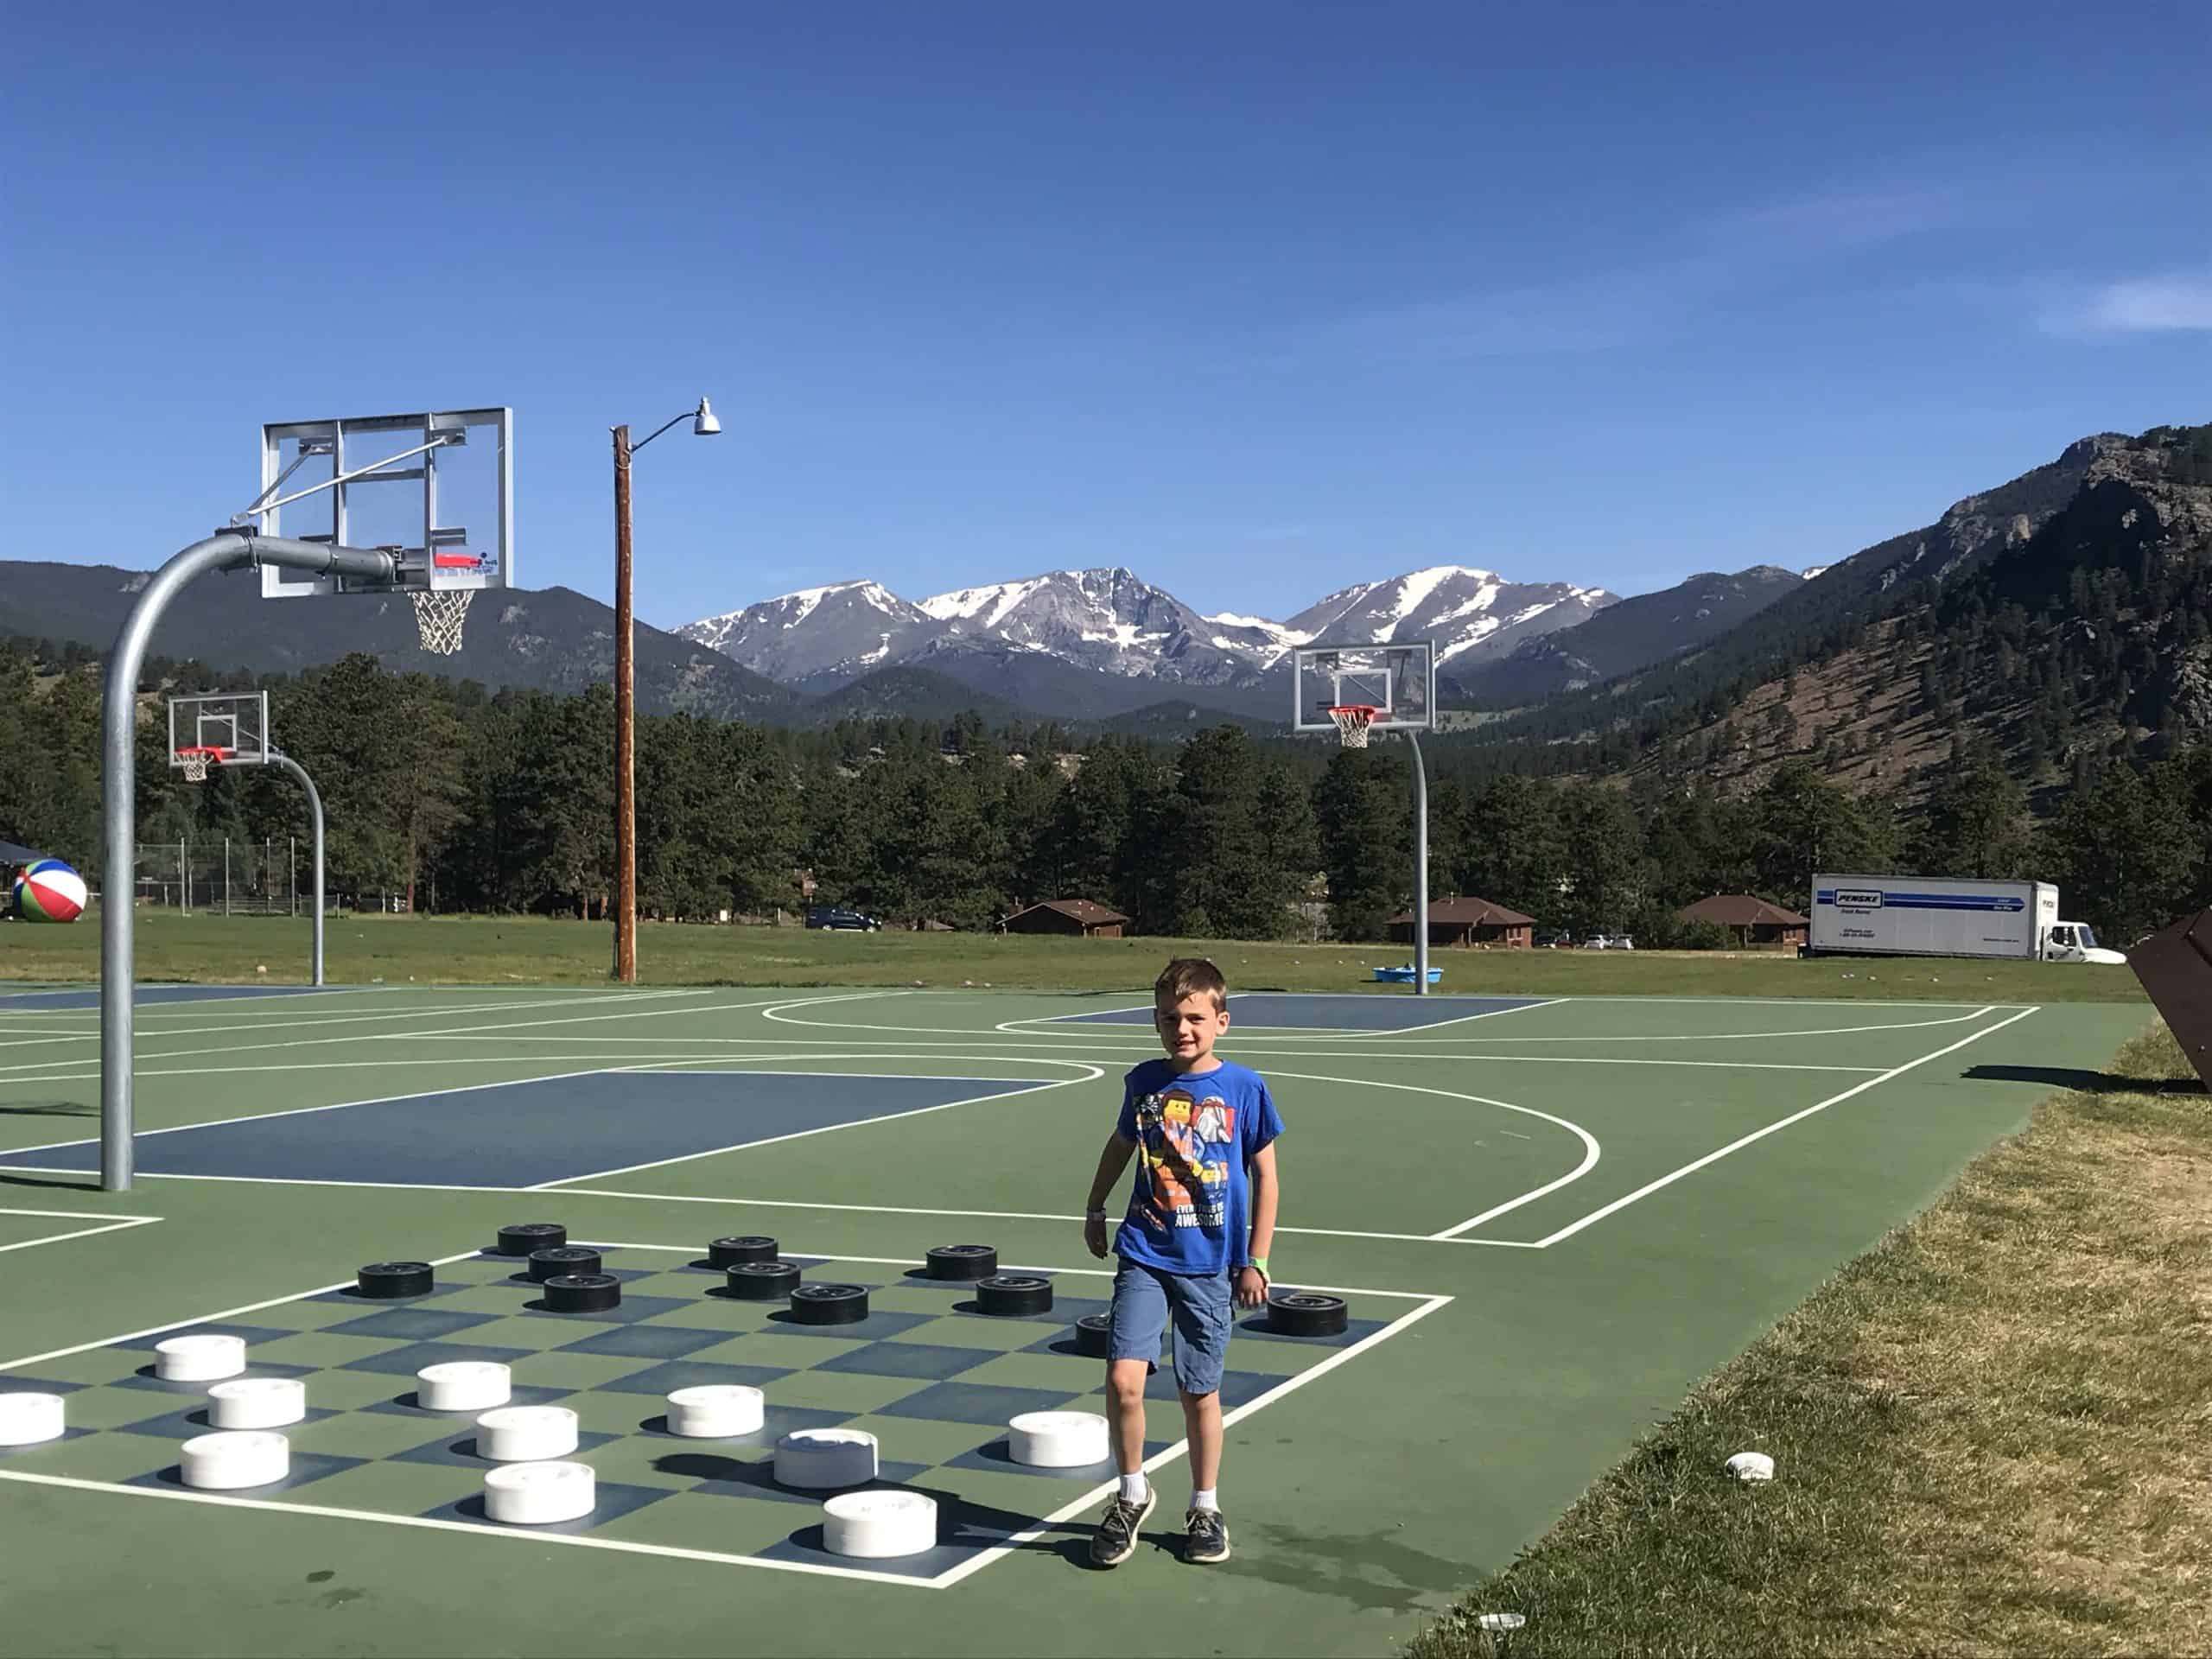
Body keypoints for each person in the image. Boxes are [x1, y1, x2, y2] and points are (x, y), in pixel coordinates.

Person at [1080, 956, 1282, 1567]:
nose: (1182, 1029)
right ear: (1156, 1021)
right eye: (1170, 1018)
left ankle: (1204, 1506)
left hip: (1210, 1263)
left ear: (1221, 1020)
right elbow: (1122, 1144)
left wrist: (1256, 1260)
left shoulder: (1244, 1088)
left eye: (1194, 1017)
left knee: (1199, 1391)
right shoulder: (1143, 1083)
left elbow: (1266, 1177)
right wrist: (1095, 1206)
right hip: (1144, 1251)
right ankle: (1131, 1493)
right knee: (1124, 1380)